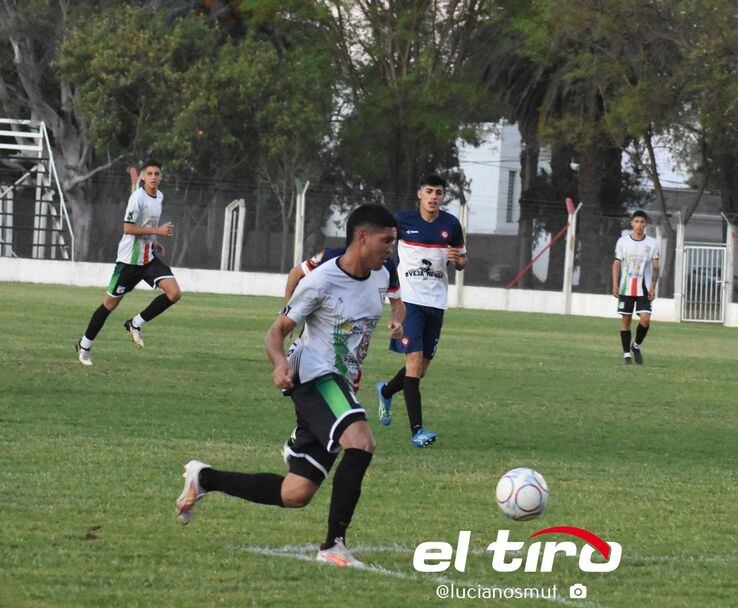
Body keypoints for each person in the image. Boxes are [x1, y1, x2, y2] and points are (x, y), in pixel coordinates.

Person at [174, 204, 404, 567]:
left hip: (342, 383)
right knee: (361, 442)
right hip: (315, 376)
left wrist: (397, 319)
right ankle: (333, 546)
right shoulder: (320, 282)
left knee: (295, 492)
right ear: (362, 237)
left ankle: (205, 479)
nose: (392, 247)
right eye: (386, 240)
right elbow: (275, 332)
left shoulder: (382, 273)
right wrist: (280, 362)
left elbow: (394, 302)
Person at [374, 175, 467, 448]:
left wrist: (459, 260)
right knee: (413, 364)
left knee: (420, 369)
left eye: (438, 192)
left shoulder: (450, 225)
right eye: (429, 191)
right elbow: (383, 244)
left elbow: (462, 260)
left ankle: (387, 390)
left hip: (436, 303)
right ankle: (417, 430)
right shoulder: (403, 221)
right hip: (409, 302)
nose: (434, 196)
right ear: (419, 194)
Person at [75, 160, 180, 366]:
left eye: (156, 173)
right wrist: (157, 232)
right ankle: (85, 345)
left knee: (174, 293)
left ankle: (135, 323)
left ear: (161, 177)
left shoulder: (159, 196)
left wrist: (154, 242)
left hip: (148, 259)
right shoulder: (137, 198)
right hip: (128, 262)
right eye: (149, 173)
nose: (153, 177)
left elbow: (147, 225)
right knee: (109, 305)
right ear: (142, 176)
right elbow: (128, 229)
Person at [612, 210, 660, 365]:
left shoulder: (652, 243)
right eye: (636, 222)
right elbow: (617, 263)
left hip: (644, 288)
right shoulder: (622, 241)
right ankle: (626, 354)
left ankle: (636, 346)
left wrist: (653, 286)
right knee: (626, 319)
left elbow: (656, 267)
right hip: (626, 288)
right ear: (631, 223)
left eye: (642, 222)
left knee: (645, 319)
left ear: (645, 224)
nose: (639, 225)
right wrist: (615, 284)